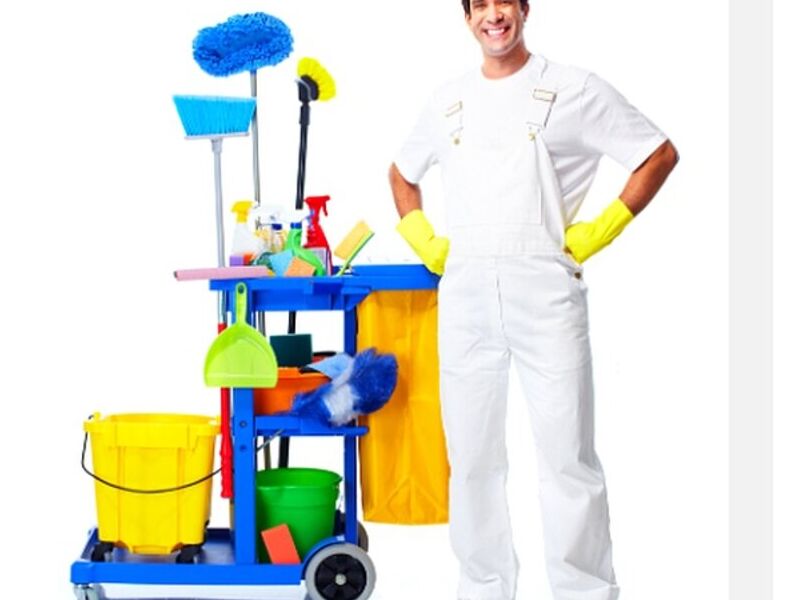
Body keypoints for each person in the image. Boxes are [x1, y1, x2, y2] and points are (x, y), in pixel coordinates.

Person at [388, 1, 678, 599]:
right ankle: (484, 587)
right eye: (480, 5)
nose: (493, 15)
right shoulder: (448, 101)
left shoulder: (572, 89)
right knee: (471, 459)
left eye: (505, 2)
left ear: (524, 9)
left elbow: (657, 153)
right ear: (467, 18)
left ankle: (583, 591)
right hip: (466, 295)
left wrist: (601, 229)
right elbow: (402, 173)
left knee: (567, 457)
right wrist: (424, 239)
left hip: (545, 291)